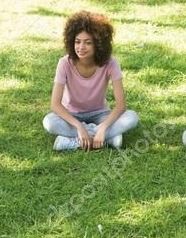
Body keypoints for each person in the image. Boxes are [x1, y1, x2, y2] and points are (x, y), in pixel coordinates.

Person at [43, 11, 139, 151]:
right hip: (71, 114)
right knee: (49, 122)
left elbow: (121, 105)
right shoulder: (64, 63)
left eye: (88, 42)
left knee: (132, 117)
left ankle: (73, 140)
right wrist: (79, 127)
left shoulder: (111, 64)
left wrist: (103, 127)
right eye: (77, 42)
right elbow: (55, 105)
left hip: (100, 113)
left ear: (98, 45)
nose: (81, 47)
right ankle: (107, 138)